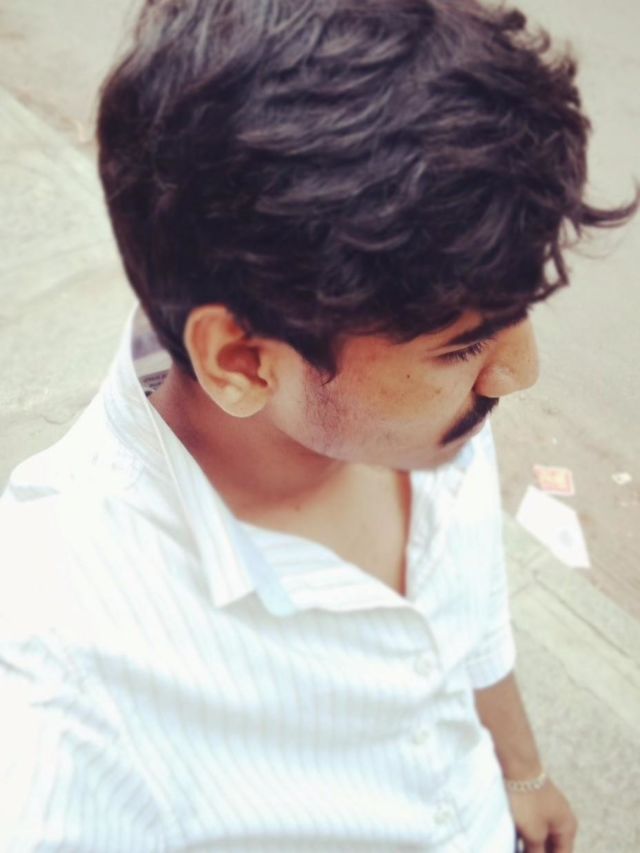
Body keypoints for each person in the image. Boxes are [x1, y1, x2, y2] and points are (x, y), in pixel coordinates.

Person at [1, 0, 636, 850]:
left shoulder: (422, 413)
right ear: (242, 362)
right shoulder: (63, 686)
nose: (518, 372)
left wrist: (521, 769)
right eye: (464, 344)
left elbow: (468, 611)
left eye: (518, 313)